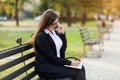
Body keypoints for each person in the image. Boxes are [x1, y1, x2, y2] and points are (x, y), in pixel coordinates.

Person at [28, 9, 86, 80]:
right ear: (46, 22)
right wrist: (70, 62)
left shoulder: (54, 33)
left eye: (56, 23)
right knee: (78, 72)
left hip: (55, 65)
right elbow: (50, 57)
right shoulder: (41, 36)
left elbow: (62, 50)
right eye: (53, 23)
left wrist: (62, 34)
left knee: (81, 67)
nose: (55, 26)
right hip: (46, 69)